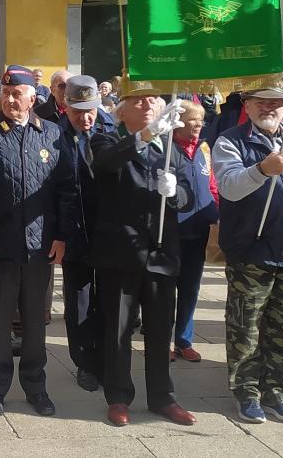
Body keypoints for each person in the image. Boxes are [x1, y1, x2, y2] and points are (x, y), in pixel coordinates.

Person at [0, 65, 74, 419]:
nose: (11, 99)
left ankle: (35, 387)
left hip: (41, 246)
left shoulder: (54, 135)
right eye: (6, 93)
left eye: (18, 94)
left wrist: (61, 236)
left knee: (34, 323)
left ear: (32, 98)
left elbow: (65, 191)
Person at [212, 86, 283, 424]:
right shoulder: (230, 141)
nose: (270, 108)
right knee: (245, 328)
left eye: (277, 103)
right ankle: (247, 391)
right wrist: (262, 169)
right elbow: (230, 186)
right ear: (246, 106)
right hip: (250, 252)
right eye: (261, 102)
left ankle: (276, 390)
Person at [90, 85, 195, 427]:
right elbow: (107, 163)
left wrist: (176, 191)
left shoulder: (172, 151)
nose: (147, 103)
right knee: (118, 329)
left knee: (160, 329)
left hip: (161, 252)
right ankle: (118, 396)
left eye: (153, 99)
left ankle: (162, 396)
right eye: (138, 99)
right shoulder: (105, 139)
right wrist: (147, 135)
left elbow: (190, 198)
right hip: (120, 253)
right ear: (121, 111)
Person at [58, 75, 114, 392]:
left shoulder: (110, 130)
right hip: (74, 233)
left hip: (106, 233)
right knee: (78, 302)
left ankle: (104, 357)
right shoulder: (54, 136)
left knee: (106, 300)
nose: (86, 117)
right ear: (67, 107)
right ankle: (84, 363)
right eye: (79, 110)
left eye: (90, 109)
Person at [171, 100, 219, 364]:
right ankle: (162, 339)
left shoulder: (203, 149)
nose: (199, 126)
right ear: (178, 123)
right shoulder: (165, 149)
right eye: (193, 121)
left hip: (199, 230)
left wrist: (217, 213)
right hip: (171, 231)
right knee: (166, 289)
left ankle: (184, 340)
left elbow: (212, 185)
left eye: (201, 121)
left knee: (190, 288)